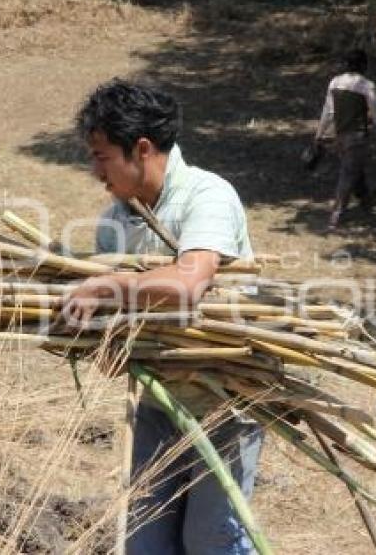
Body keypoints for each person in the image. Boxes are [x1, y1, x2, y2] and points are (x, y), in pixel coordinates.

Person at [64, 79, 263, 554]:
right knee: (145, 541)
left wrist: (108, 287)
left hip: (224, 397)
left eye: (101, 155)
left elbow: (189, 284)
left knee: (211, 539)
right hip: (158, 404)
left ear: (143, 149)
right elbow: (110, 328)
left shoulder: (207, 195)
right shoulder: (115, 222)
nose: (95, 171)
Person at [314, 48, 376, 230]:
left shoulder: (335, 82)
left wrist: (319, 134)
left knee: (353, 170)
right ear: (364, 65)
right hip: (357, 136)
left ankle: (366, 202)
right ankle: (337, 214)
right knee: (348, 173)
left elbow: (328, 111)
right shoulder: (367, 86)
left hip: (339, 136)